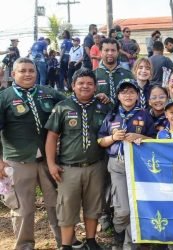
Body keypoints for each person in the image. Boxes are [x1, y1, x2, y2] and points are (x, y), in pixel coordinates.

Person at [0, 57, 65, 249]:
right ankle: (24, 246)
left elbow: (73, 104)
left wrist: (98, 98)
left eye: (31, 70)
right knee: (22, 207)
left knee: (56, 204)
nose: (28, 74)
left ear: (36, 73)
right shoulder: (4, 97)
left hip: (48, 160)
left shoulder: (47, 92)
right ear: (13, 74)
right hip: (17, 160)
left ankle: (65, 242)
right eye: (23, 71)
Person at [45, 68, 111, 250]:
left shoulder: (102, 106)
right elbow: (51, 137)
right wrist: (51, 164)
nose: (85, 86)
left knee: (93, 205)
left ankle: (91, 240)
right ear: (73, 86)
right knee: (67, 208)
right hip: (68, 168)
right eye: (81, 83)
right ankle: (66, 245)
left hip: (95, 166)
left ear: (96, 87)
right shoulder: (63, 107)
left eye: (90, 83)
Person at [98, 79, 155, 249]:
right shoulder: (112, 115)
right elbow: (100, 140)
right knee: (123, 210)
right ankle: (118, 231)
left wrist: (141, 138)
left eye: (131, 92)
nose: (128, 95)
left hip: (139, 166)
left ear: (138, 95)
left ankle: (128, 245)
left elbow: (155, 140)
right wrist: (113, 138)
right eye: (124, 92)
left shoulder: (144, 115)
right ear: (118, 96)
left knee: (134, 208)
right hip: (118, 165)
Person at [94, 38, 134, 104]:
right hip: (101, 112)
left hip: (123, 113)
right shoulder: (93, 75)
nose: (110, 53)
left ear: (118, 52)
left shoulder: (128, 75)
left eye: (113, 50)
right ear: (100, 52)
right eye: (106, 50)